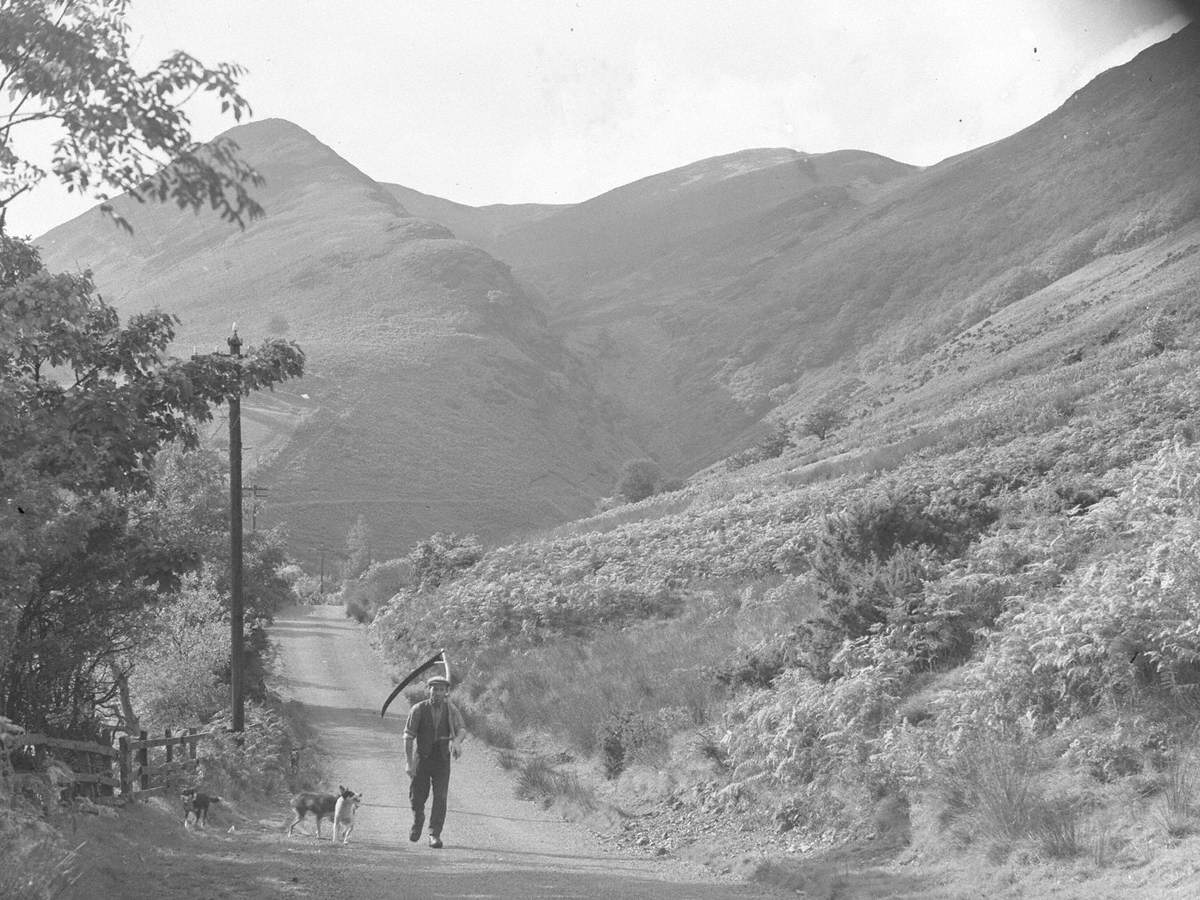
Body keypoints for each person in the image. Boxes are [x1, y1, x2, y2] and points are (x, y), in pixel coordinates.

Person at [404, 673, 465, 848]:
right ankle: (418, 819)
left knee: (441, 797)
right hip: (421, 759)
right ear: (428, 690)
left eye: (441, 690)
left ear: (446, 692)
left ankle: (434, 834)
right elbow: (408, 737)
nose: (437, 693)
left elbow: (462, 728)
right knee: (417, 797)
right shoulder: (418, 709)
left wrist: (457, 741)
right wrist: (409, 762)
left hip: (442, 760)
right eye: (434, 689)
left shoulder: (451, 709)